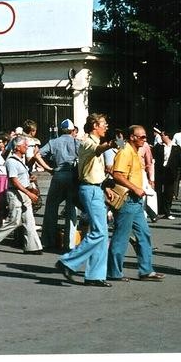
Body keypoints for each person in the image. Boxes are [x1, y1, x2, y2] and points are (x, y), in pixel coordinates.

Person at [56, 113, 115, 287]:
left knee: (102, 234)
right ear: (95, 125)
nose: (106, 126)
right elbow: (97, 150)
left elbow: (96, 170)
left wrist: (106, 188)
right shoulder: (87, 142)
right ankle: (67, 262)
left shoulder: (94, 142)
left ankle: (95, 276)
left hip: (96, 189)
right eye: (104, 123)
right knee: (99, 232)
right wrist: (112, 144)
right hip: (89, 190)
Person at [107, 125, 165, 282]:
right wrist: (135, 188)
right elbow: (118, 175)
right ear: (132, 137)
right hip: (128, 200)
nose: (145, 139)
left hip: (137, 201)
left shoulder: (134, 152)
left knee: (144, 234)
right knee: (121, 237)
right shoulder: (125, 152)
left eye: (145, 137)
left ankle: (146, 270)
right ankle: (114, 272)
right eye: (142, 137)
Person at [0, 136, 43, 254]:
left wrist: (30, 179)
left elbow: (21, 177)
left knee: (29, 221)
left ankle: (33, 247)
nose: (26, 147)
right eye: (25, 146)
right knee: (14, 221)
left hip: (24, 193)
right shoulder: (11, 161)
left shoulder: (20, 160)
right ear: (17, 147)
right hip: (16, 194)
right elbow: (14, 180)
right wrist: (29, 192)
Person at [35, 119, 80, 251]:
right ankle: (70, 243)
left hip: (58, 175)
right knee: (71, 209)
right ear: (72, 131)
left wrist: (48, 169)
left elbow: (37, 155)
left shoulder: (53, 142)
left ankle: (48, 241)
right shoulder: (77, 142)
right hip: (72, 176)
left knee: (51, 207)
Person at [153, 128, 181, 220]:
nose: (161, 137)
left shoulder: (176, 148)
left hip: (171, 172)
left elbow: (180, 161)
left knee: (169, 192)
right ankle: (159, 211)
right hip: (160, 171)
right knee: (158, 191)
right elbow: (153, 156)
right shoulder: (159, 146)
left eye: (162, 135)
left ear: (167, 136)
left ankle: (167, 211)